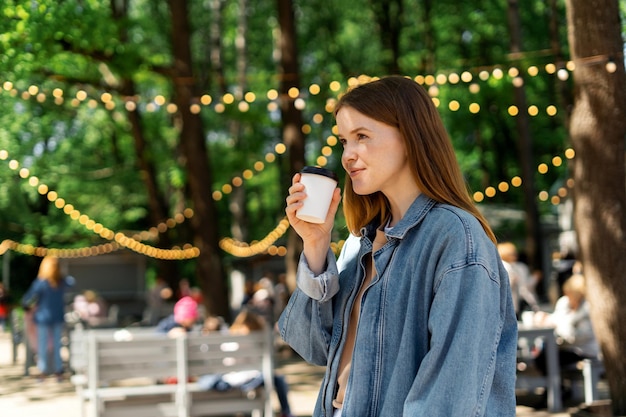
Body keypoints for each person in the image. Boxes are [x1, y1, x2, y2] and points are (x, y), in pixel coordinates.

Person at [279, 76, 518, 417]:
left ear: (409, 136)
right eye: (344, 141)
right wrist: (315, 244)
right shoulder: (359, 243)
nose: (348, 155)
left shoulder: (456, 238)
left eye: (362, 136)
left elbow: (450, 394)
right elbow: (313, 346)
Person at [207, 309, 294, 417]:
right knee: (277, 379)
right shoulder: (249, 341)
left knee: (275, 379)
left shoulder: (230, 338)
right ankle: (286, 412)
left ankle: (286, 412)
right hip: (242, 378)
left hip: (233, 378)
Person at [533, 273, 600, 375]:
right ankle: (557, 387)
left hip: (582, 350)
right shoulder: (564, 302)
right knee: (542, 356)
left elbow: (578, 337)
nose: (567, 296)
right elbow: (555, 319)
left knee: (548, 358)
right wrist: (545, 318)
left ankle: (557, 388)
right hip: (564, 347)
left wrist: (560, 326)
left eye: (570, 294)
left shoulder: (587, 308)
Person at [21, 256, 75, 381]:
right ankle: (58, 371)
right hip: (56, 317)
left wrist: (28, 308)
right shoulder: (62, 282)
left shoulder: (41, 283)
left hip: (43, 318)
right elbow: (72, 282)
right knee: (57, 345)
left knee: (43, 345)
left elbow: (27, 299)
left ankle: (43, 371)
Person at [497, 241, 540, 317]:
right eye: (512, 253)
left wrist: (535, 278)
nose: (515, 255)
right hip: (506, 304)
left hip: (518, 302)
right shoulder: (502, 267)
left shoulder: (520, 267)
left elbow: (525, 285)